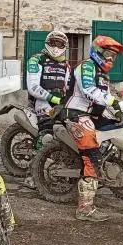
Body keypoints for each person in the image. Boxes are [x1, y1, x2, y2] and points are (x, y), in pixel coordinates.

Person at [64, 35, 123, 222]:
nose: (110, 59)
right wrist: (113, 102)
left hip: (93, 115)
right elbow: (89, 90)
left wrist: (118, 111)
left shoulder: (103, 74)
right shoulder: (87, 66)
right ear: (97, 52)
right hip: (76, 114)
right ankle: (84, 209)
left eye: (114, 57)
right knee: (92, 157)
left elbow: (104, 98)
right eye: (108, 54)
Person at [24, 30, 71, 189]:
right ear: (47, 43)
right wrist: (52, 98)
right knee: (47, 135)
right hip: (42, 102)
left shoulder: (66, 64)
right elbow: (32, 86)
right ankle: (31, 174)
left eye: (60, 44)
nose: (56, 47)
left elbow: (68, 87)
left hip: (61, 104)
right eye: (53, 43)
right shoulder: (37, 60)